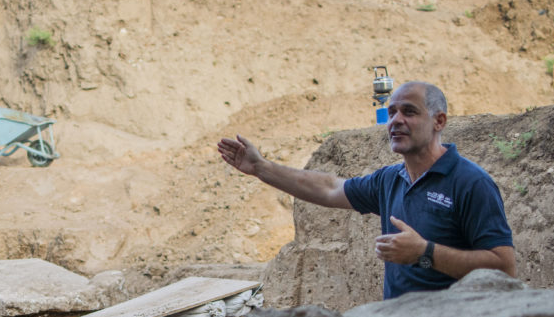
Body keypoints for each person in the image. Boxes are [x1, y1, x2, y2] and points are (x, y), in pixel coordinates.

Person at [217, 81, 515, 299]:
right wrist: (261, 168)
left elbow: (504, 268)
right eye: (392, 111)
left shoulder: (471, 183)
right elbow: (330, 189)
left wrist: (424, 253)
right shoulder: (389, 180)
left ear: (439, 121)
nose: (396, 120)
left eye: (409, 112)